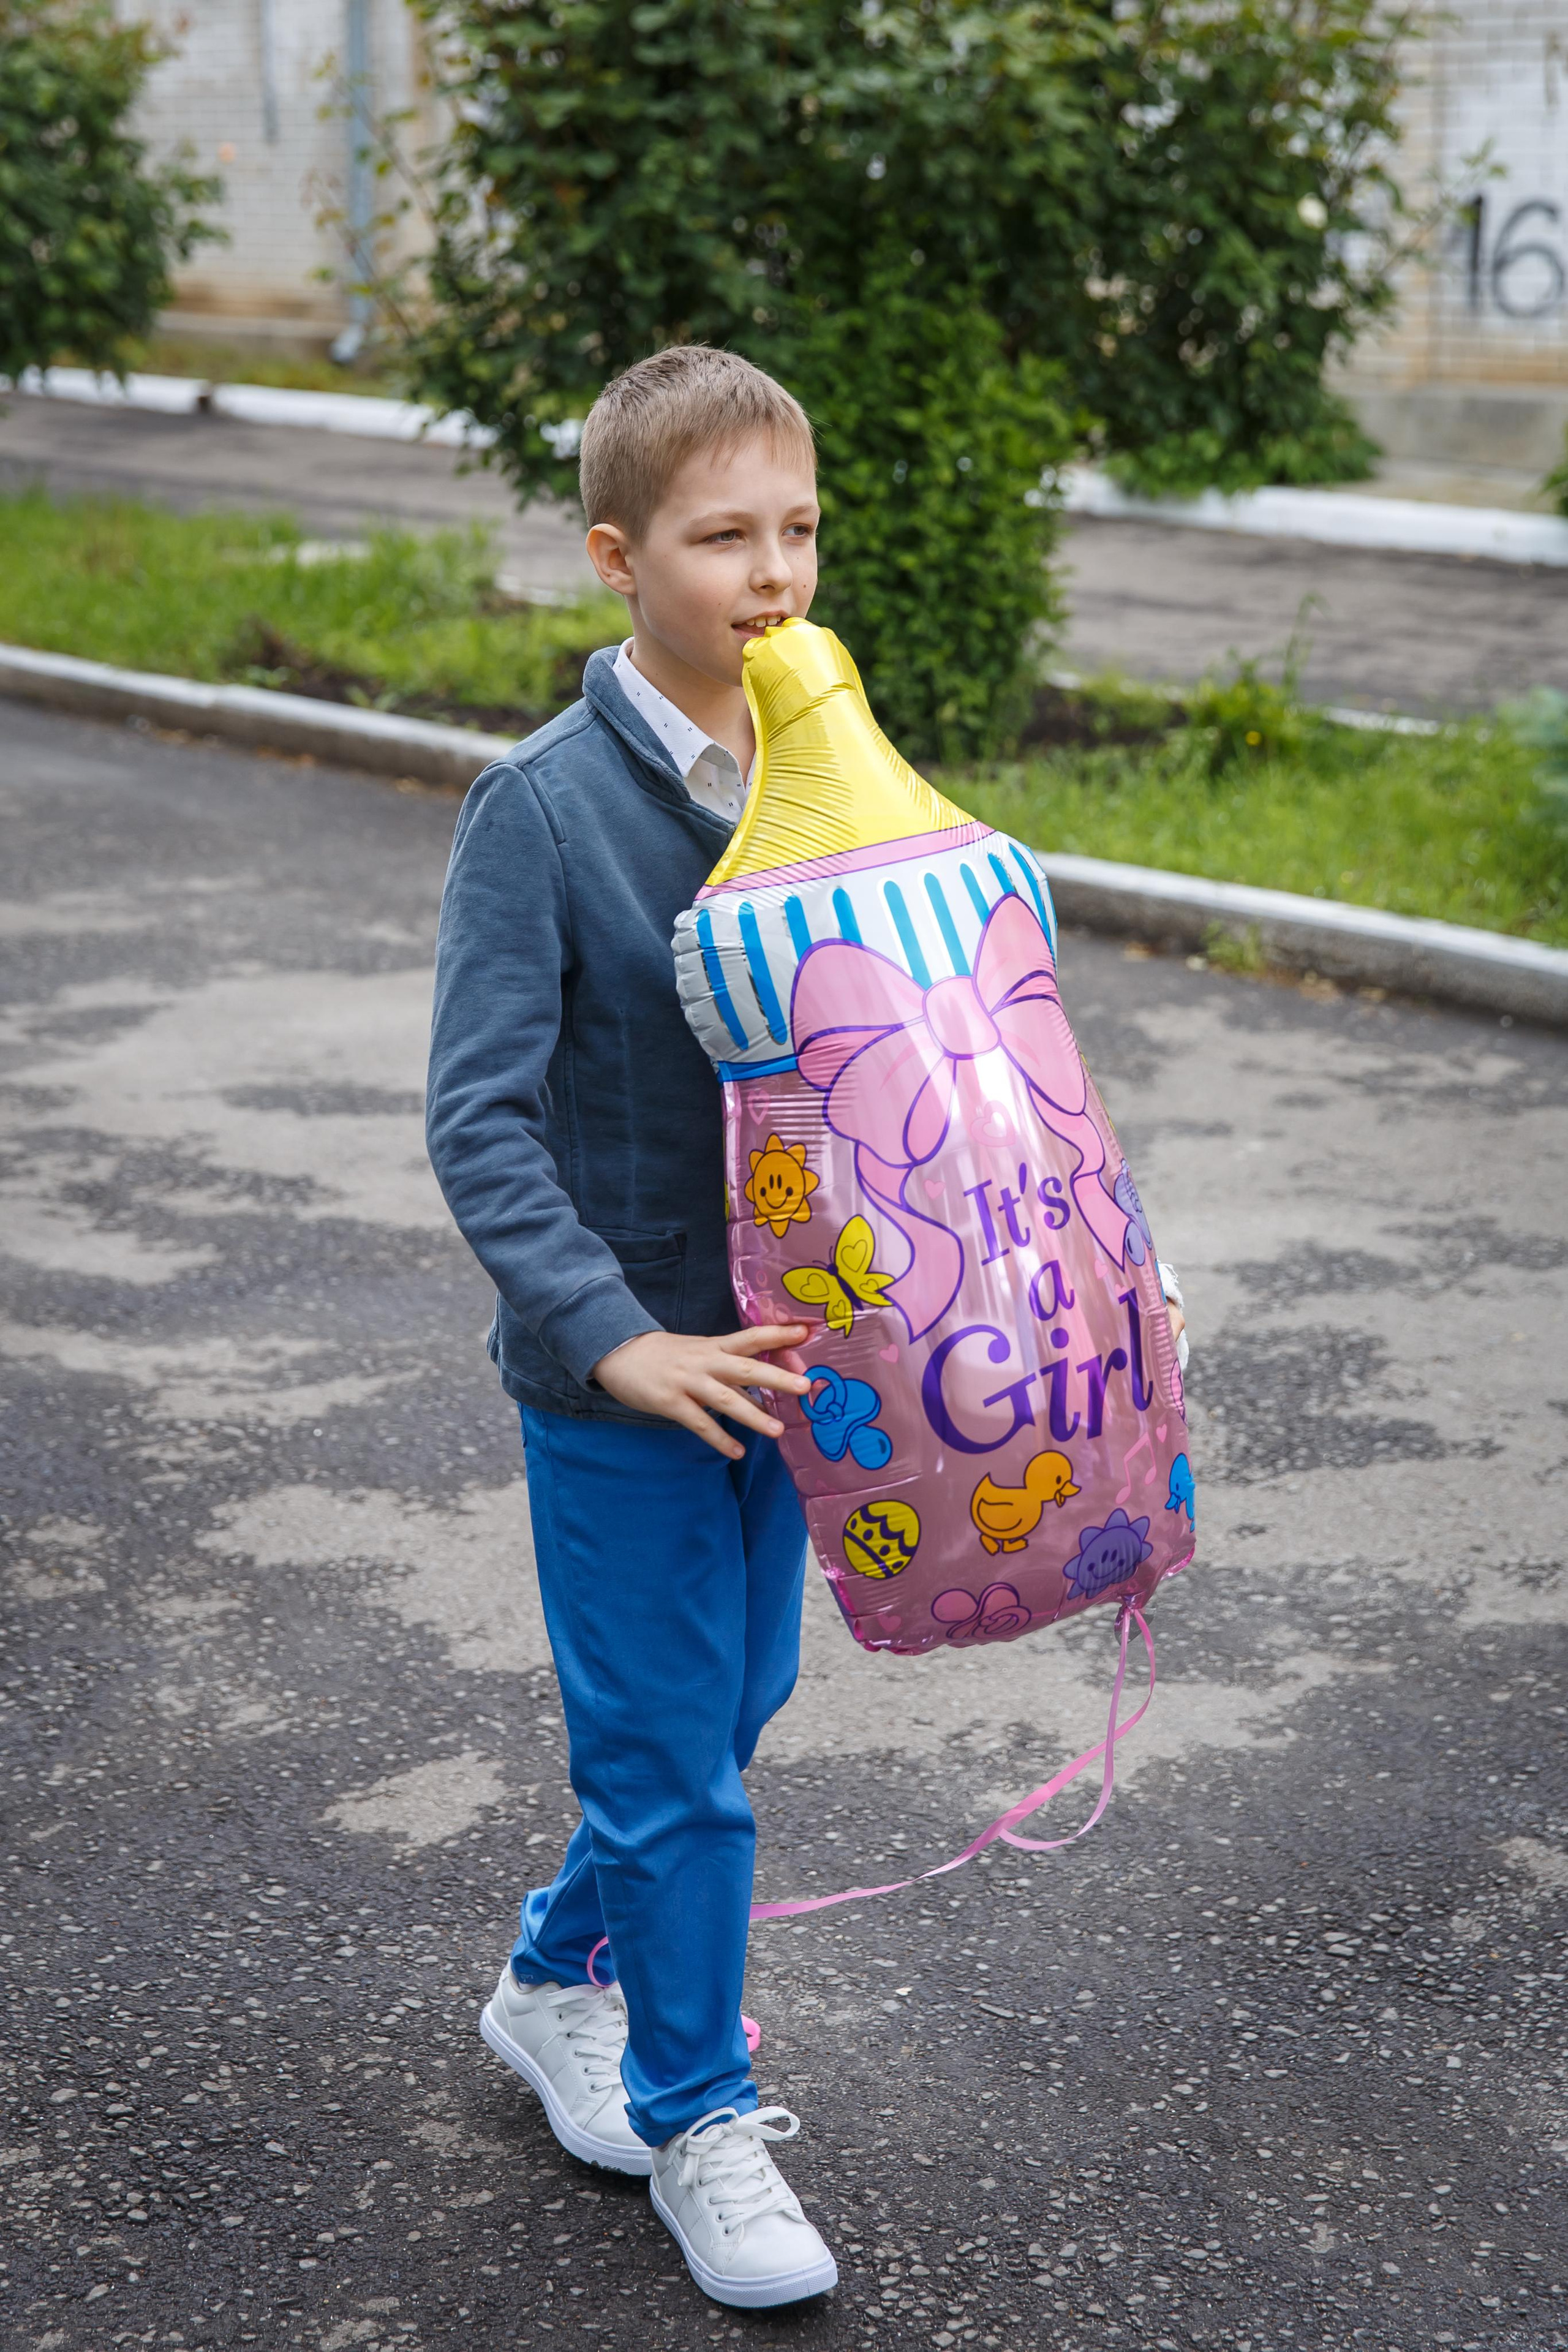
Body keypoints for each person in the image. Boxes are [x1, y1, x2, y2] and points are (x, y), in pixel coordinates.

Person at [424, 345, 839, 2310]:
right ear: (618, 555)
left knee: (723, 1722)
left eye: (799, 530)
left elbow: (911, 1052)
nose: (774, 575)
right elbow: (478, 1122)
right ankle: (697, 2113)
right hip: (625, 1388)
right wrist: (611, 1338)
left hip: (793, 1367)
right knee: (681, 1766)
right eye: (723, 536)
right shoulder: (542, 811)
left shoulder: (820, 756)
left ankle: (545, 1980)